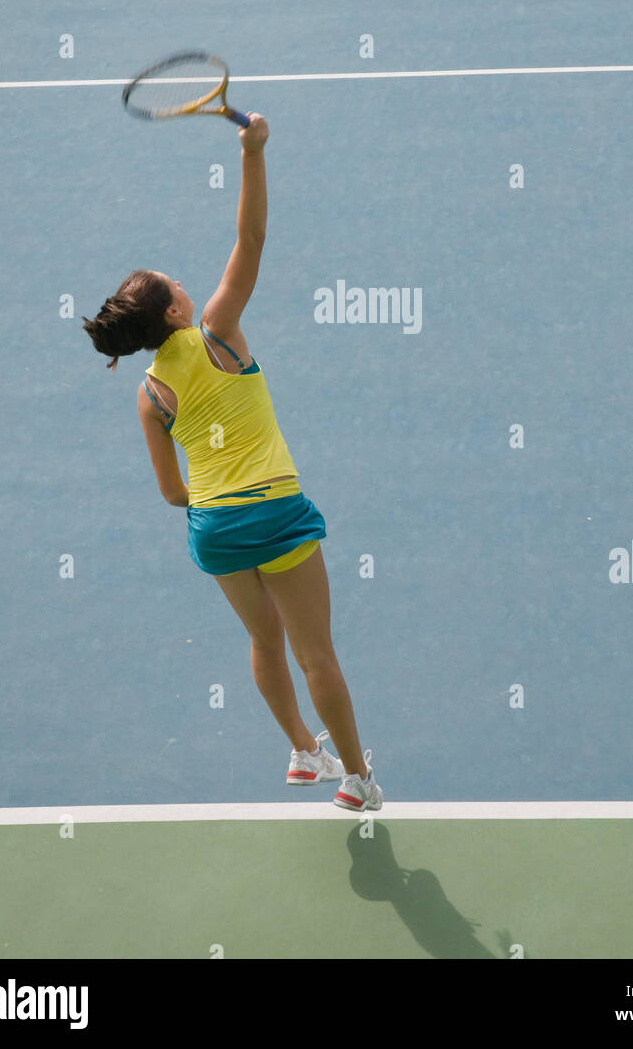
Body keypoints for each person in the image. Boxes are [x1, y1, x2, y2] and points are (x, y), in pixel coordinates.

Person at [83, 112, 381, 812]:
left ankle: (304, 751)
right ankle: (357, 780)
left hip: (215, 529)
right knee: (316, 654)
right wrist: (252, 151)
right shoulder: (217, 330)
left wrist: (218, 501)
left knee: (263, 640)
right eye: (174, 283)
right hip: (277, 512)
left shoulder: (148, 393)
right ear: (174, 311)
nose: (185, 284)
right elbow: (251, 238)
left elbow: (171, 494)